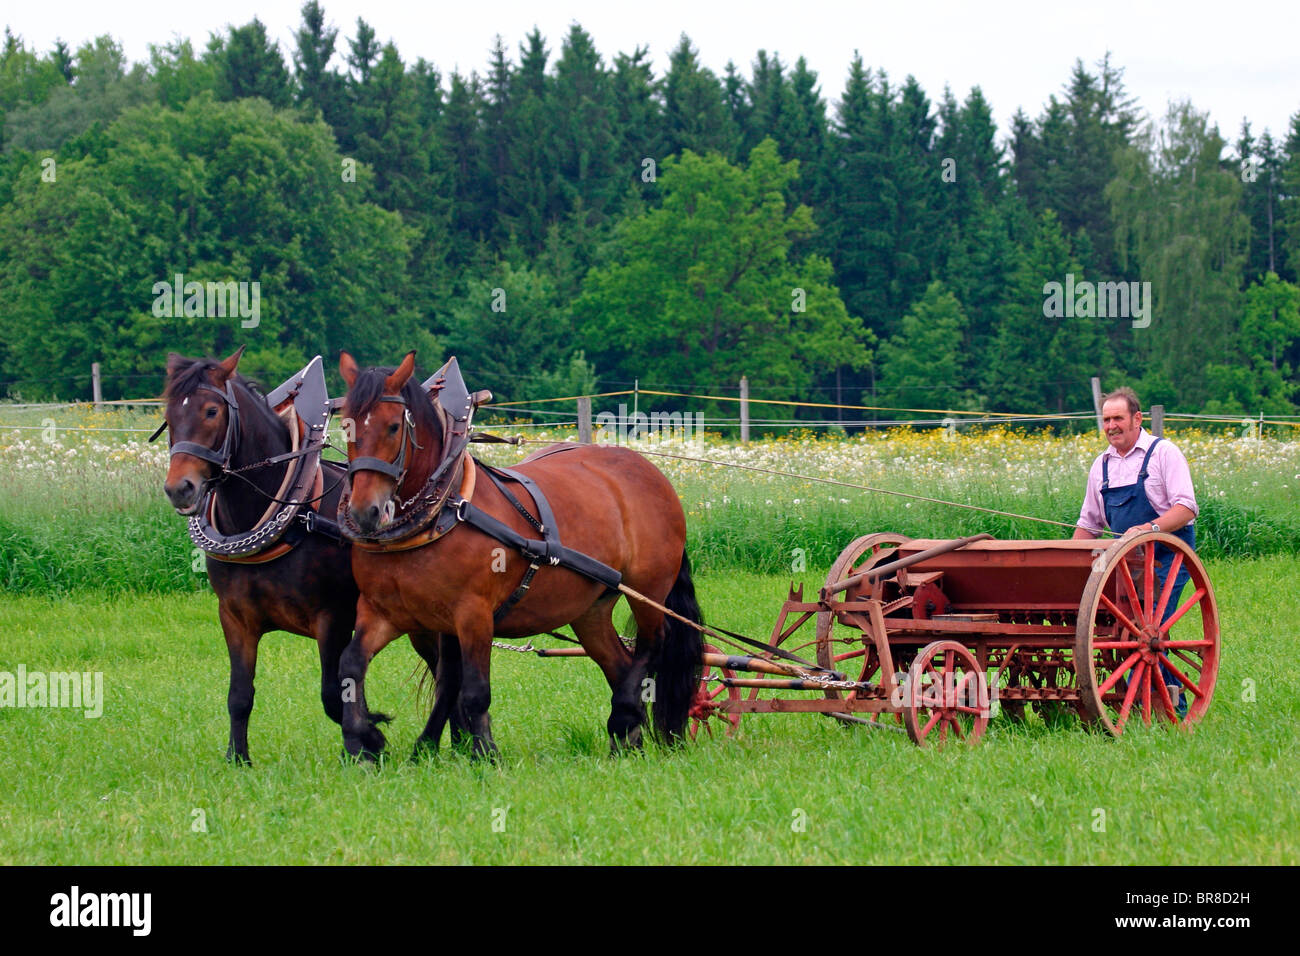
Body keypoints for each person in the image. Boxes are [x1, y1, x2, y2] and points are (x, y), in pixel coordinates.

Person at [1072, 387, 1199, 716]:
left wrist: (1149, 529)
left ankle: (1171, 708)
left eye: (1118, 418)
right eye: (1106, 420)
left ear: (1137, 419)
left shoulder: (1163, 453)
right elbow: (1089, 523)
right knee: (1124, 630)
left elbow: (1185, 508)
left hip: (1166, 559)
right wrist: (1067, 559)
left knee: (1146, 631)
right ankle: (1149, 701)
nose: (1111, 425)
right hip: (1123, 563)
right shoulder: (1101, 465)